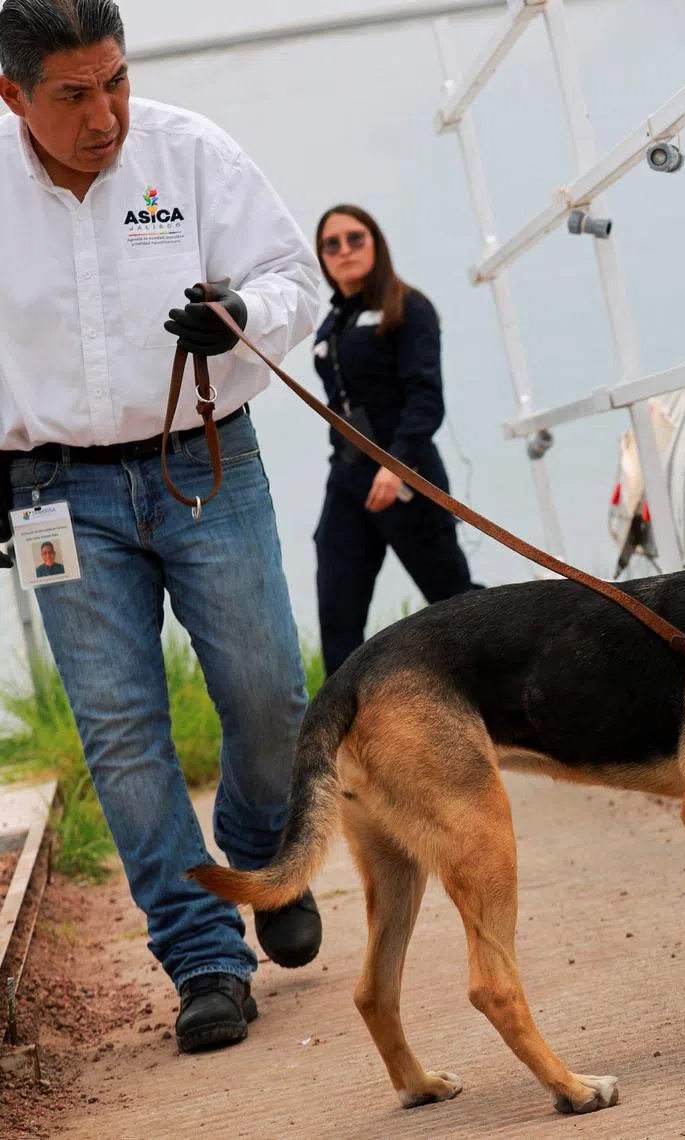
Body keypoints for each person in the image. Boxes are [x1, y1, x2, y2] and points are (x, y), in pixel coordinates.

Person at [0, 0, 324, 1054]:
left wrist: (240, 312)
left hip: (205, 463)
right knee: (122, 732)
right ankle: (201, 956)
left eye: (118, 80)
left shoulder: (190, 154)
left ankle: (260, 850)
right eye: (75, 94)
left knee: (270, 691)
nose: (107, 113)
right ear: (13, 95)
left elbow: (295, 281)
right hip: (55, 493)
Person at [311, 204, 480, 677]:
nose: (344, 250)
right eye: (332, 244)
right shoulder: (331, 325)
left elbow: (426, 399)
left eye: (355, 238)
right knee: (337, 610)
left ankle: (509, 701)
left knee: (455, 603)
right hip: (348, 483)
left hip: (407, 478)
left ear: (376, 243)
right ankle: (345, 734)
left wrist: (398, 466)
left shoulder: (409, 308)